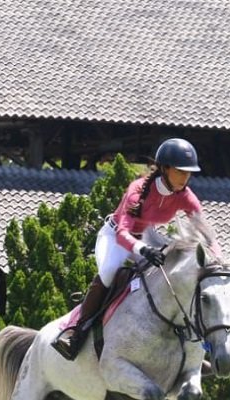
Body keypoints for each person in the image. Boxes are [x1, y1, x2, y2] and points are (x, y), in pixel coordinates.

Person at [52, 137, 216, 360]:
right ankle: (76, 330)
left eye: (189, 173)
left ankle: (184, 349)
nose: (186, 178)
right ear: (164, 169)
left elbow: (206, 233)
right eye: (181, 172)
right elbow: (122, 233)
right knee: (110, 272)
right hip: (115, 237)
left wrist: (218, 261)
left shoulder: (186, 197)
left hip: (148, 239)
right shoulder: (138, 190)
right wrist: (144, 250)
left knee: (172, 278)